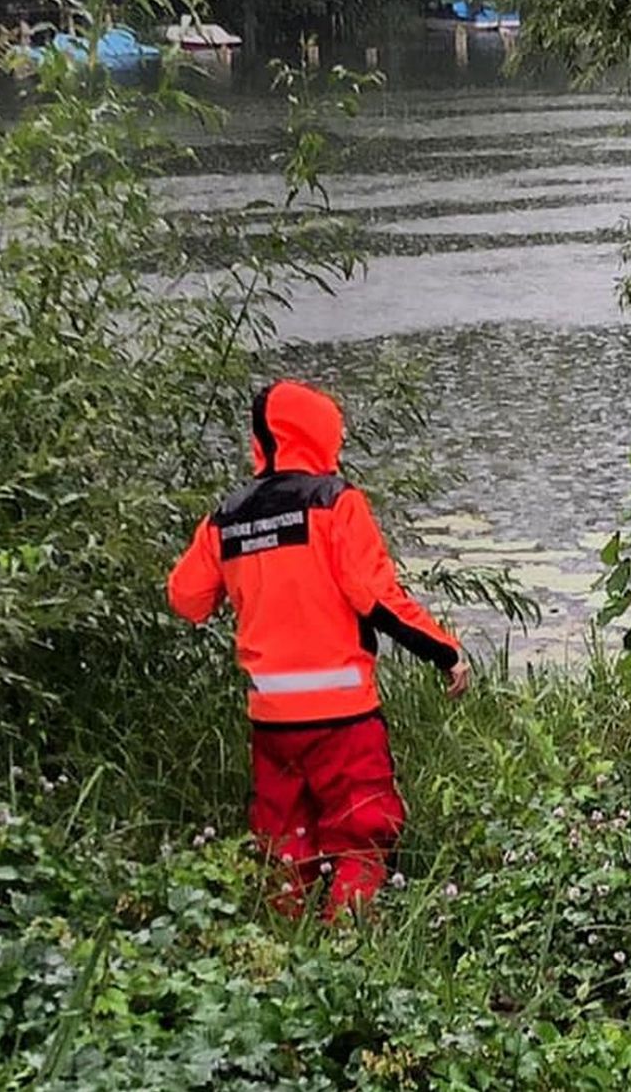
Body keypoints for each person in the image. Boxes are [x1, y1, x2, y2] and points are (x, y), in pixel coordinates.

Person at [167, 379, 468, 916]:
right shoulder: (334, 502)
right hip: (343, 718)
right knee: (362, 833)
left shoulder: (227, 517)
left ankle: (288, 954)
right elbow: (376, 598)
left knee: (285, 845)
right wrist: (445, 652)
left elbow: (186, 598)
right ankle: (350, 948)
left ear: (262, 442)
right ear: (321, 433)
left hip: (272, 722)